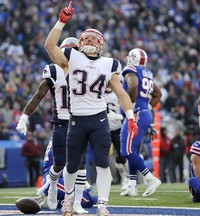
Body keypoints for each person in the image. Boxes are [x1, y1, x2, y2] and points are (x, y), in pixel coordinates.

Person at [44, 2, 138, 216]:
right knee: (72, 165)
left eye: (93, 39)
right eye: (85, 39)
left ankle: (103, 205)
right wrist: (61, 22)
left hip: (99, 119)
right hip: (76, 119)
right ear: (79, 42)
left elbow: (122, 93)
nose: (88, 41)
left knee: (103, 163)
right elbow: (50, 47)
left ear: (100, 44)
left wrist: (130, 117)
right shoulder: (71, 57)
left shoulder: (110, 63)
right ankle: (68, 200)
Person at [16, 37, 89, 214]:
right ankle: (53, 184)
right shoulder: (54, 71)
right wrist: (24, 117)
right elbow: (38, 96)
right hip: (61, 122)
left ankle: (76, 203)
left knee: (81, 163)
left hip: (79, 121)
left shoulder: (86, 72)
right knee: (59, 163)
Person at [120, 48, 162, 197]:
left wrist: (130, 108)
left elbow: (132, 85)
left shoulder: (131, 69)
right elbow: (158, 94)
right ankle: (132, 185)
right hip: (144, 113)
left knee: (126, 150)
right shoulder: (148, 73)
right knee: (134, 150)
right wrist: (147, 109)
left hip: (136, 113)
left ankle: (150, 178)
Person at [35, 140, 97, 210]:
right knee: (88, 200)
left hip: (57, 180)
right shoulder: (67, 139)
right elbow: (71, 169)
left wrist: (88, 188)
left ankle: (55, 199)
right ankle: (53, 201)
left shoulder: (60, 136)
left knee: (89, 197)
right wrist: (89, 188)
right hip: (54, 181)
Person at [105, 86, 129, 191]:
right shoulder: (100, 94)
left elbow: (125, 106)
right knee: (103, 155)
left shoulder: (117, 94)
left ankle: (125, 178)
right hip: (104, 129)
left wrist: (123, 117)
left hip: (118, 128)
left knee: (122, 155)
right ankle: (106, 178)